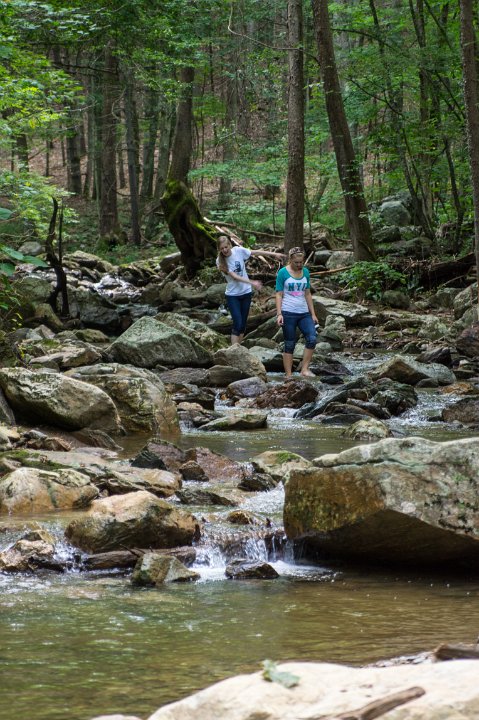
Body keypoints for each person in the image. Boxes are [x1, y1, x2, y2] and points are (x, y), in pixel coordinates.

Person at [217, 236, 284, 344]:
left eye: (226, 247)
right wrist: (252, 282)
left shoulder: (238, 251)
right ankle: (233, 350)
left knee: (243, 324)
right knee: (238, 324)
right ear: (219, 249)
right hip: (233, 295)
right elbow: (234, 277)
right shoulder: (220, 261)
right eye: (222, 248)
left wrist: (273, 254)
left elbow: (255, 252)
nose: (224, 250)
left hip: (246, 293)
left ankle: (239, 348)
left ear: (230, 245)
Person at [275, 246, 319, 377]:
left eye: (301, 262)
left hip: (304, 313)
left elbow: (307, 293)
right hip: (288, 312)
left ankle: (304, 369)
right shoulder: (282, 273)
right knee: (289, 344)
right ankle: (288, 375)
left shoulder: (306, 272)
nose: (299, 265)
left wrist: (313, 314)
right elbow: (278, 294)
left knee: (312, 339)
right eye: (296, 262)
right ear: (290, 260)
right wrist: (279, 314)